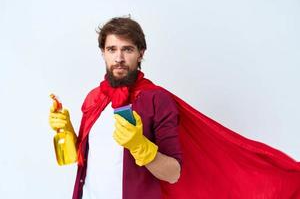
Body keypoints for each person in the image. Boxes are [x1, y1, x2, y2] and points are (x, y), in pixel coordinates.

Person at [49, 16, 300, 199]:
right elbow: (86, 160)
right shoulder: (95, 99)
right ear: (102, 52)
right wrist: (68, 134)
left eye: (127, 49)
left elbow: (173, 173)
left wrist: (141, 148)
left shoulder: (157, 100)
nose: (119, 58)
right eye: (112, 49)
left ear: (140, 53)